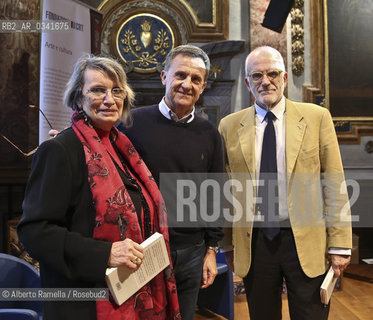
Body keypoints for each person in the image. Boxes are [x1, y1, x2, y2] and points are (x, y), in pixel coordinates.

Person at [17, 54, 180, 320]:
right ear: (78, 98)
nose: (109, 99)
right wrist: (106, 253)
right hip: (85, 304)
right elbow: (34, 232)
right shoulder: (59, 150)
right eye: (97, 90)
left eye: (116, 91)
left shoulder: (123, 148)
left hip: (132, 295)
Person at [218, 46, 352, 319]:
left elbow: (333, 182)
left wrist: (339, 244)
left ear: (285, 77)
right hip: (255, 243)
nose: (265, 81)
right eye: (256, 75)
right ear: (247, 82)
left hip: (306, 241)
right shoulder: (228, 126)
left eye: (272, 74)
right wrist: (228, 245)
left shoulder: (316, 117)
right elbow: (225, 192)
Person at [118, 45, 224, 320]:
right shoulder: (130, 123)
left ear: (203, 87)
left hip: (191, 252)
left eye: (196, 79)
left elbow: (215, 196)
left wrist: (211, 250)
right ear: (164, 77)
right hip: (142, 248)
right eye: (180, 75)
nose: (187, 84)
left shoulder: (210, 133)